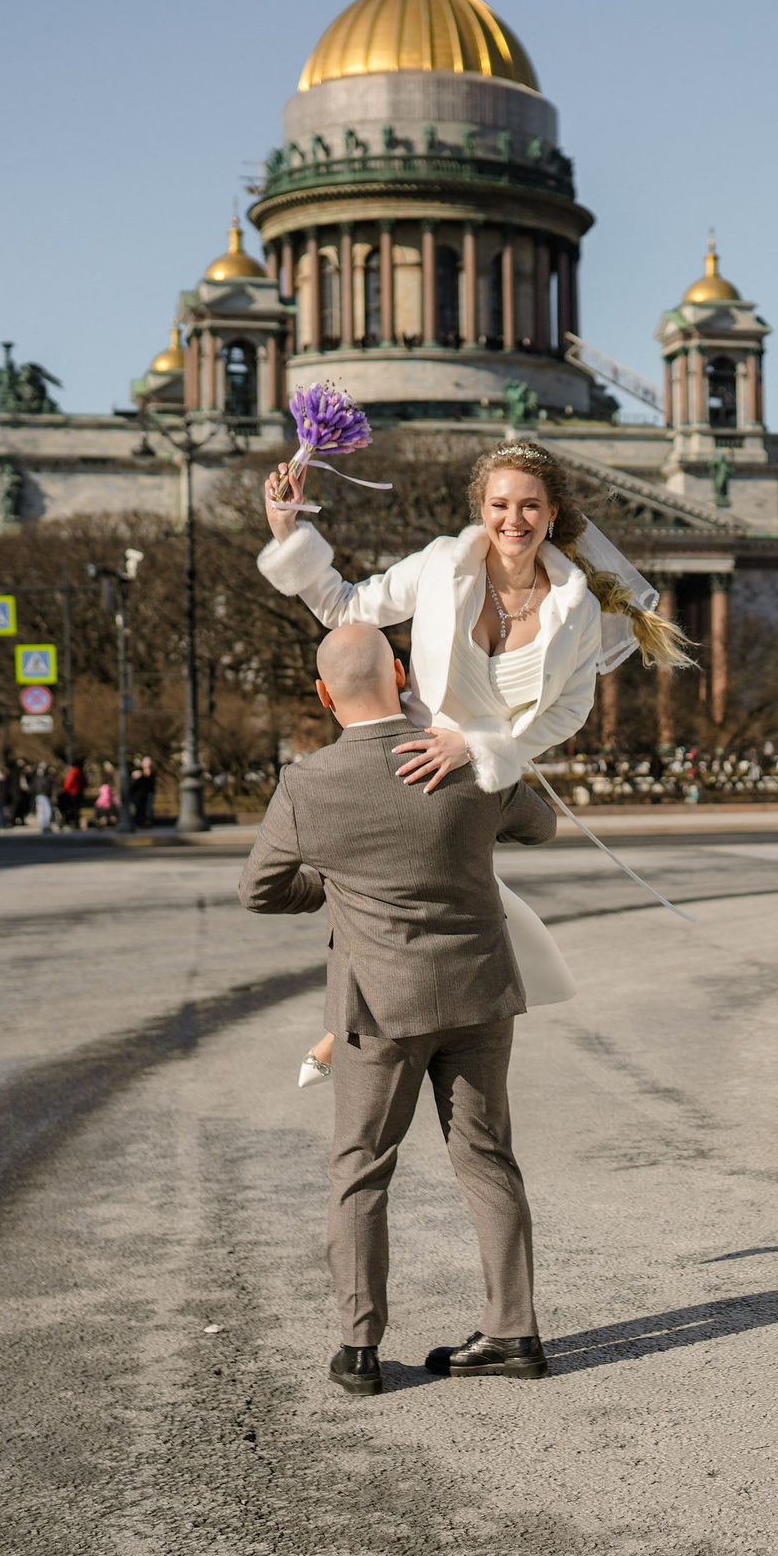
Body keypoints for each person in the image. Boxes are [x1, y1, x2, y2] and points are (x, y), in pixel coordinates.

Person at [258, 439, 686, 1087]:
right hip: (405, 747)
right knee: (421, 889)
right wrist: (288, 527)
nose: (513, 520)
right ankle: (352, 1029)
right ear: (480, 508)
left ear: (552, 512)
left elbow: (568, 712)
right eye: (499, 505)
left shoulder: (576, 608)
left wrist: (480, 748)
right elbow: (345, 606)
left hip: (481, 765)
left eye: (529, 506)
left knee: (439, 885)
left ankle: (356, 1027)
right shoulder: (440, 564)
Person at [239, 623, 558, 1392]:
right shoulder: (464, 759)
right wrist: (474, 738)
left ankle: (360, 1349)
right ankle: (514, 1333)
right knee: (488, 1161)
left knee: (361, 1169)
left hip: (378, 1005)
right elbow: (541, 823)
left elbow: (260, 890)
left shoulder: (308, 784)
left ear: (322, 695)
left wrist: (337, 889)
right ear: (404, 673)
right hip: (480, 993)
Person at [129, 756, 157, 828]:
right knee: (140, 810)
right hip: (139, 796)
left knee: (148, 809)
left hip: (146, 794)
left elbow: (149, 784)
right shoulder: (140, 773)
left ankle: (148, 822)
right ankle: (142, 822)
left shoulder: (150, 774)